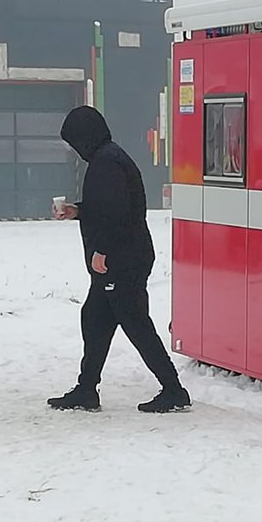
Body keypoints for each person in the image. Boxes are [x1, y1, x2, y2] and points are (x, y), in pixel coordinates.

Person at [47, 105, 191, 413]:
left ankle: (173, 390)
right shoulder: (108, 158)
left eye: (73, 142)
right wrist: (77, 210)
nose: (74, 149)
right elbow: (104, 207)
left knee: (136, 323)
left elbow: (118, 214)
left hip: (121, 260)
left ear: (84, 137)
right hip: (125, 256)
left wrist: (103, 251)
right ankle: (86, 389)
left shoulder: (107, 163)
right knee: (94, 318)